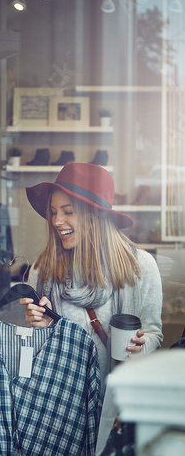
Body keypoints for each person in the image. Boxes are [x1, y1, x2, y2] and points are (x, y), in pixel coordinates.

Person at [20, 163, 163, 393]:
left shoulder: (141, 267)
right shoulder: (43, 269)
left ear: (96, 215)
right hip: (64, 405)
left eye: (68, 211)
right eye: (54, 212)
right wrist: (39, 326)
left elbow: (154, 333)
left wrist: (141, 346)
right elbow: (31, 354)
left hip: (118, 405)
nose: (56, 221)